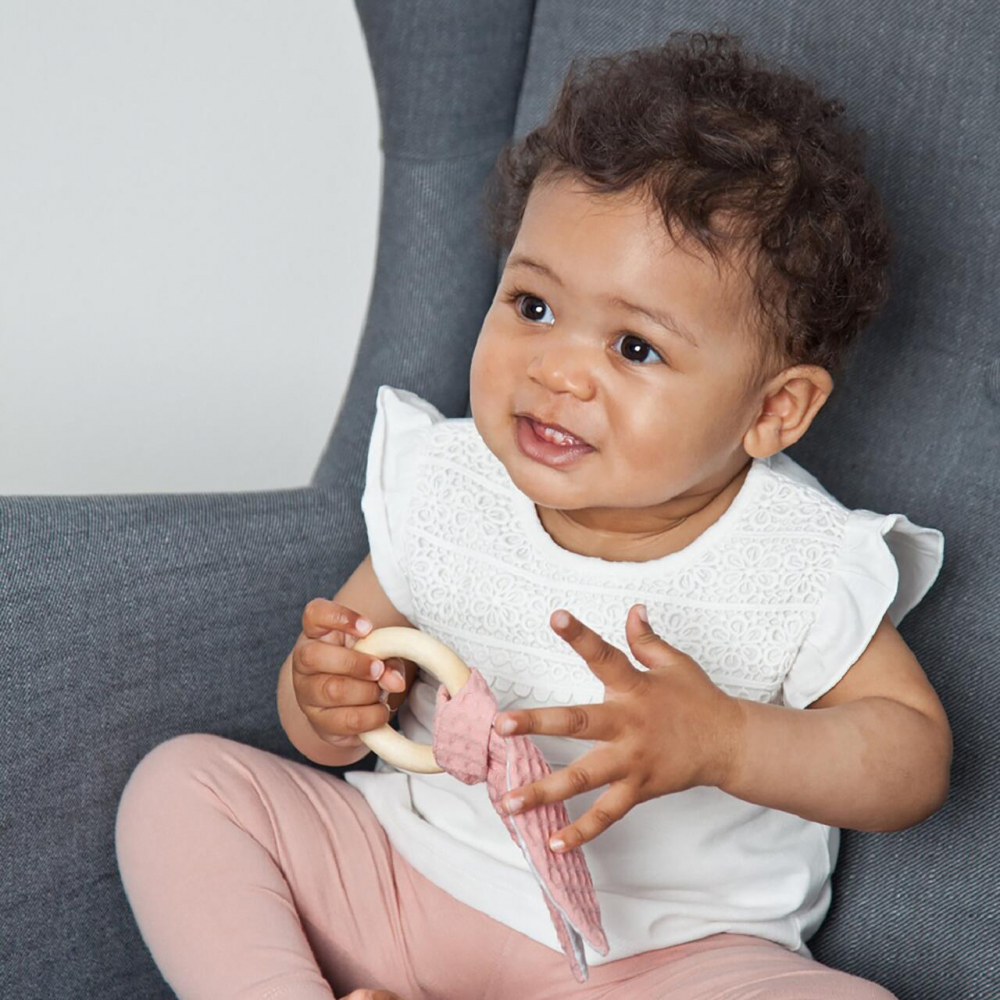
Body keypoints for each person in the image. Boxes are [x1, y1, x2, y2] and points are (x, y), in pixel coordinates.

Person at [114, 29, 953, 1000]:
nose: (556, 370)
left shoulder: (794, 559)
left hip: (661, 961)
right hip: (402, 883)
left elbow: (912, 758)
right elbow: (330, 727)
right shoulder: (449, 483)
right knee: (181, 788)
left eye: (634, 348)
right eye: (533, 306)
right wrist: (325, 697)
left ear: (773, 410)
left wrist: (728, 741)